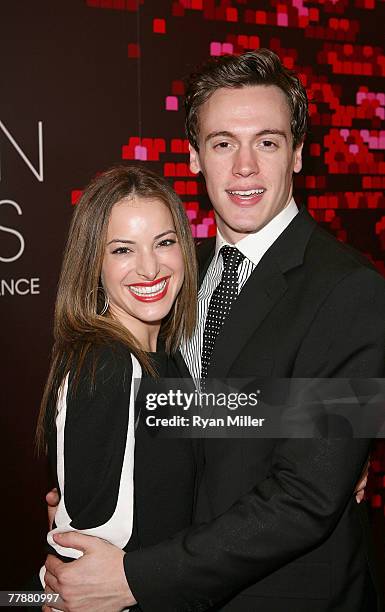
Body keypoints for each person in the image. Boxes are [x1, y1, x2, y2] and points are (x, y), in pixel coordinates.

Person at [44, 50, 385, 611]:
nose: (244, 166)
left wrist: (138, 577)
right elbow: (182, 416)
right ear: (195, 157)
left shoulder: (351, 288)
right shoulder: (172, 274)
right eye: (223, 142)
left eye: (268, 142)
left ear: (298, 154)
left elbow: (306, 496)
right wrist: (95, 490)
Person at [37, 165, 198, 605]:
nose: (150, 268)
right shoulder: (106, 363)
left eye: (164, 243)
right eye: (123, 250)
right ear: (94, 263)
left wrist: (342, 428)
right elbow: (79, 560)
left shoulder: (166, 361)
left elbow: (234, 414)